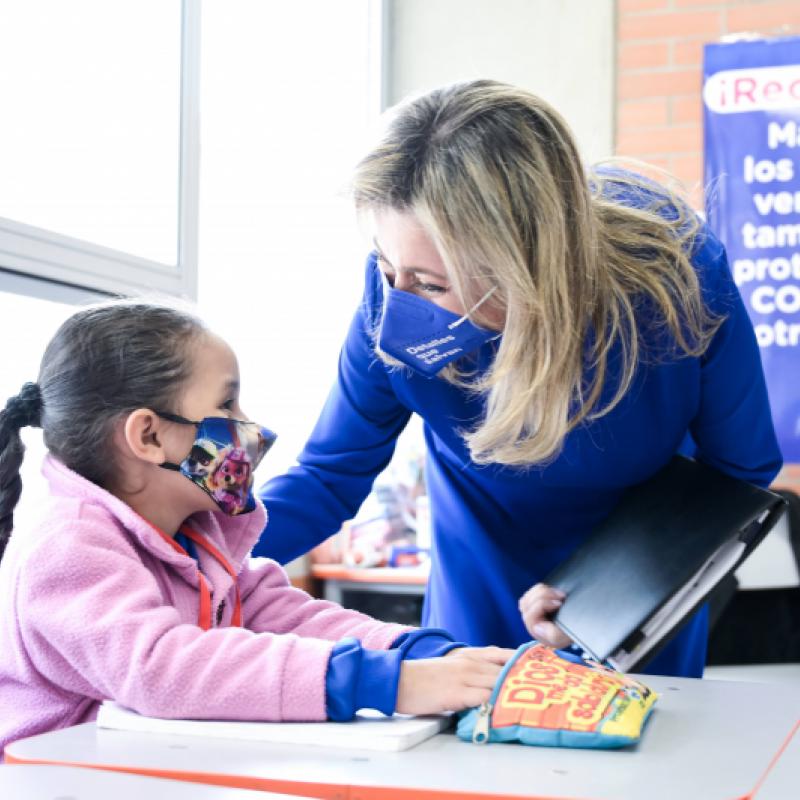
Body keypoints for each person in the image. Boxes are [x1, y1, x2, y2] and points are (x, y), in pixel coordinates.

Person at [256, 80, 783, 678]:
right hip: (479, 559)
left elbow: (740, 471)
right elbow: (328, 476)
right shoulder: (395, 291)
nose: (398, 302)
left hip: (641, 574)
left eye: (430, 284)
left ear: (523, 263)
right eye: (384, 265)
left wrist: (601, 604)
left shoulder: (675, 279)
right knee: (469, 746)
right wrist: (192, 557)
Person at [0, 300, 513, 756]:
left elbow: (287, 616)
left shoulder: (200, 538)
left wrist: (425, 653)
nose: (252, 428)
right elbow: (162, 667)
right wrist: (390, 684)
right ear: (149, 435)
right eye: (227, 405)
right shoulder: (68, 544)